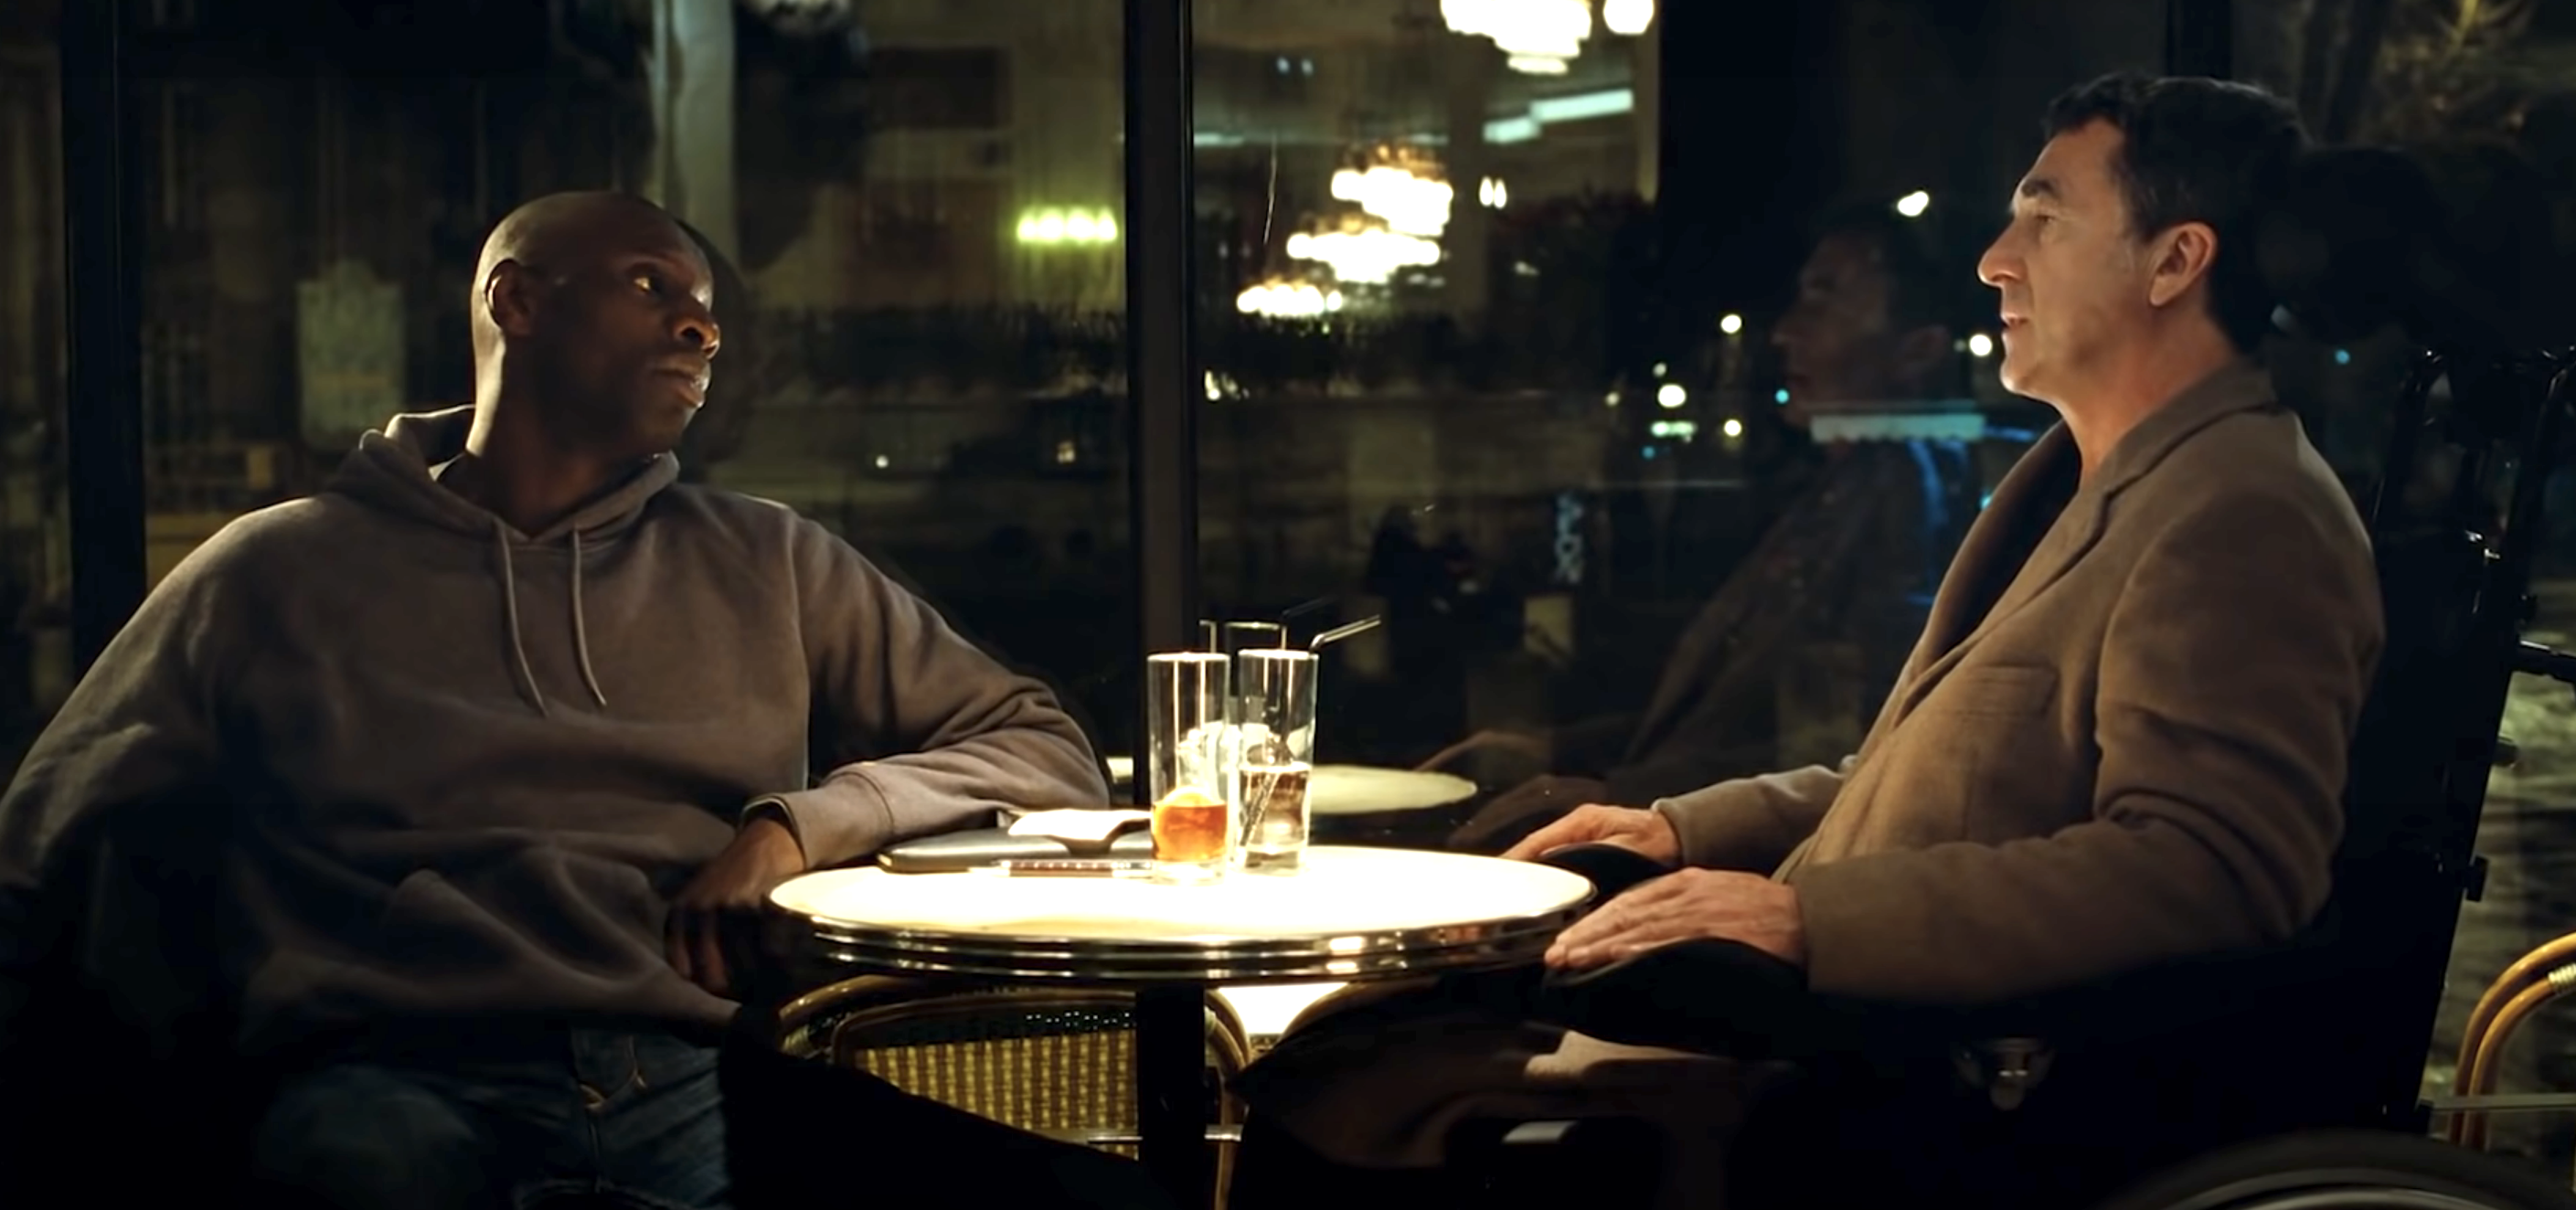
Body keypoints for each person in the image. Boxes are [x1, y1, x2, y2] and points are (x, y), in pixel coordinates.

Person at [1233, 74, 2383, 1210]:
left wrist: (1802, 920)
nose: (1996, 258)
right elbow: (1937, 776)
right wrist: (1681, 828)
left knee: (1349, 1103)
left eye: (2043, 215)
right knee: (1343, 1047)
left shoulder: (2241, 510)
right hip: (1817, 1034)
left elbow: (2211, 869)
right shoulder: (2090, 488)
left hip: (1912, 1091)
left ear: (2175, 261)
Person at [0, 192, 1111, 1208]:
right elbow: (34, 842)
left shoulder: (769, 558)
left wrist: (794, 828)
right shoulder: (273, 572)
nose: (700, 329)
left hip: (702, 1067)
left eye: (708, 309)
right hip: (395, 1073)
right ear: (515, 301)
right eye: (652, 286)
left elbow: (1040, 745)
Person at [1440, 204, 1985, 852]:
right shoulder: (1841, 486)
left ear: (1918, 349)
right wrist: (1557, 748)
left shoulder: (1912, 496)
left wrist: (1620, 796)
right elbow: (1732, 709)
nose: (1784, 333)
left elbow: (1849, 743)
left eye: (1825, 298)